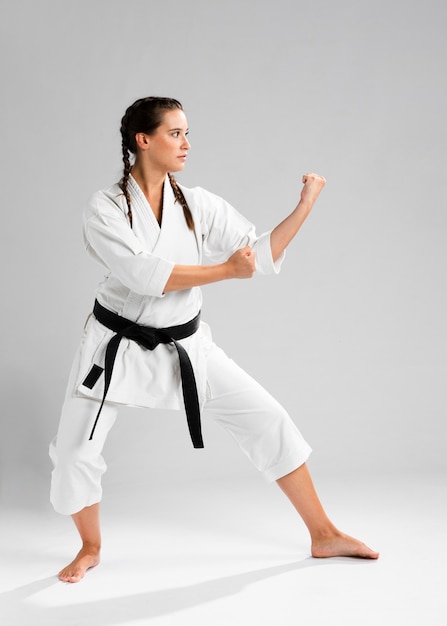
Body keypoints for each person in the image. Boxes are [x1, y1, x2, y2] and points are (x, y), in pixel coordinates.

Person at [49, 96, 379, 583]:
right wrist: (224, 271)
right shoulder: (106, 208)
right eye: (175, 133)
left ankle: (323, 533)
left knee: (268, 418)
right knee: (74, 454)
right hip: (115, 347)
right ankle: (90, 546)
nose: (186, 143)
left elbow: (260, 255)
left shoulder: (197, 205)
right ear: (144, 140)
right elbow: (144, 274)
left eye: (187, 133)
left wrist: (305, 204)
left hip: (186, 346)